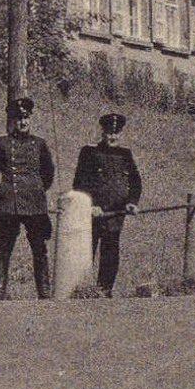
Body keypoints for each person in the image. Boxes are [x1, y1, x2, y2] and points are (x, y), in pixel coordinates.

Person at [0, 96, 56, 299]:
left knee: (39, 248)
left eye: (26, 118)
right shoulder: (2, 144)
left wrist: (38, 189)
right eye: (18, 118)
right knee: (5, 246)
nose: (23, 122)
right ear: (12, 121)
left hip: (34, 204)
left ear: (30, 119)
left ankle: (44, 291)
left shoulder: (40, 144)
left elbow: (48, 173)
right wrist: (0, 195)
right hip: (10, 204)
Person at [74, 112, 144, 297]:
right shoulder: (89, 152)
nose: (113, 137)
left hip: (116, 213)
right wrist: (89, 205)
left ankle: (105, 291)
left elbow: (136, 183)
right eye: (109, 132)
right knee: (85, 251)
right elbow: (79, 183)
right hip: (93, 213)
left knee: (111, 252)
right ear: (102, 132)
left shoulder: (125, 154)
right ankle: (79, 290)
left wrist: (131, 202)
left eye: (117, 133)